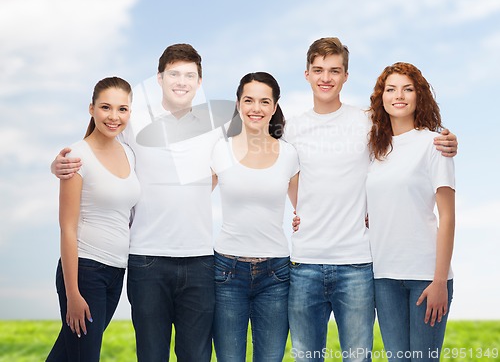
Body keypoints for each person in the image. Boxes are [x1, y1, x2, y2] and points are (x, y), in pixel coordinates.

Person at [285, 38, 458, 362]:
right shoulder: (293, 129)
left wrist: (448, 139)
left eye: (335, 70)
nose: (326, 77)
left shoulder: (369, 124)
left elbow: (411, 139)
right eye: (319, 70)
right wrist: (301, 210)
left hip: (358, 263)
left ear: (346, 76)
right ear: (306, 74)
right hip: (317, 263)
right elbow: (282, 172)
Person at [51, 44, 225, 362]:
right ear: (159, 78)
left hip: (199, 259)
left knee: (196, 355)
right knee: (150, 355)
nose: (181, 81)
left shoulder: (214, 125)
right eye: (174, 74)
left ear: (200, 82)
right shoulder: (134, 119)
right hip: (146, 260)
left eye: (190, 75)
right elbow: (96, 145)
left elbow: (248, 156)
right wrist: (59, 166)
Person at [47, 77, 140, 362]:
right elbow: (67, 228)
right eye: (106, 107)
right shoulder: (77, 156)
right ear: (91, 109)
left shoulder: (128, 152)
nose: (114, 117)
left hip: (116, 272)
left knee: (67, 354)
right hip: (85, 272)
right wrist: (73, 293)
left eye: (122, 109)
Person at [366, 62, 455, 362]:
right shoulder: (375, 150)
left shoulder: (435, 144)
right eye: (390, 89)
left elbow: (448, 216)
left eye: (408, 88)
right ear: (382, 97)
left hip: (425, 276)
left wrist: (440, 280)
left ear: (420, 96)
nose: (398, 95)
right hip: (384, 277)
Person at [211, 72, 299, 362]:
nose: (256, 108)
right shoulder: (220, 150)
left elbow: (307, 209)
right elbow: (193, 202)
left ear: (274, 107)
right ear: (238, 104)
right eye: (249, 100)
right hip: (226, 272)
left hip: (276, 274)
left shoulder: (289, 154)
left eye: (264, 101)